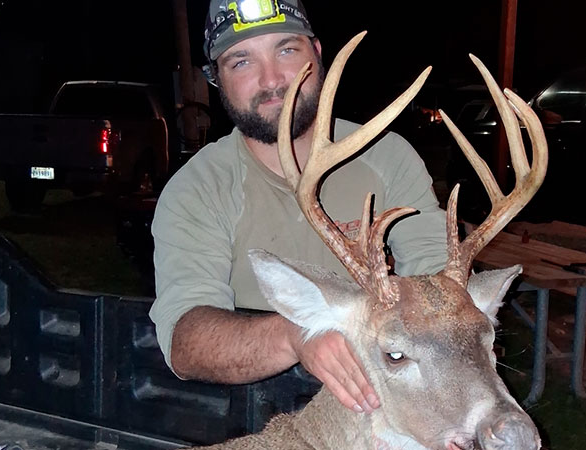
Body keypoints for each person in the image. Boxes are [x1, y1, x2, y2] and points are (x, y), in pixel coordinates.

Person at [150, 0, 447, 416]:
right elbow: (186, 340)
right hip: (259, 414)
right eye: (241, 62)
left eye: (287, 50)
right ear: (215, 79)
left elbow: (441, 282)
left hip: (389, 398)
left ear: (318, 54)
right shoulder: (198, 188)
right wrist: (295, 335)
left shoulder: (385, 156)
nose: (272, 80)